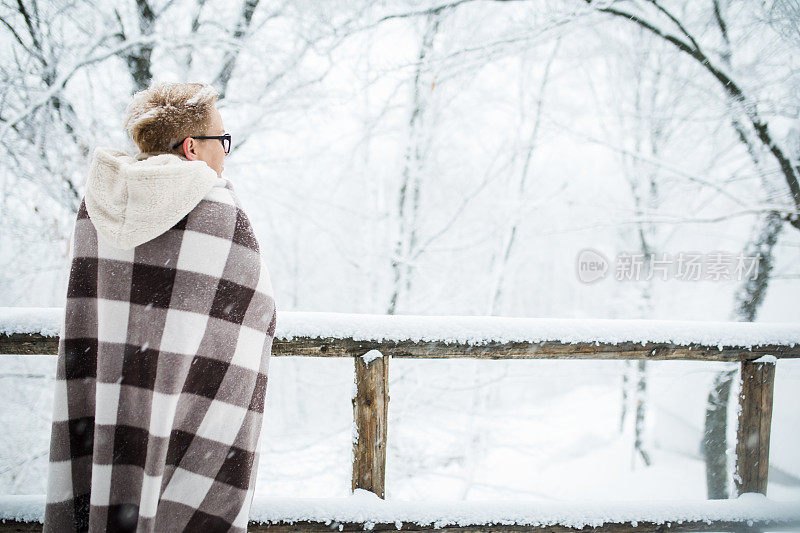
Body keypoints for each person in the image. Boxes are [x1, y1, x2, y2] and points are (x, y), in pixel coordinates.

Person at [44, 82, 277, 532]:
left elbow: (86, 311)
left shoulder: (98, 206)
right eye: (221, 141)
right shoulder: (219, 212)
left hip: (109, 394)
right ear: (192, 147)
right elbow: (256, 311)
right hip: (177, 402)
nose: (224, 154)